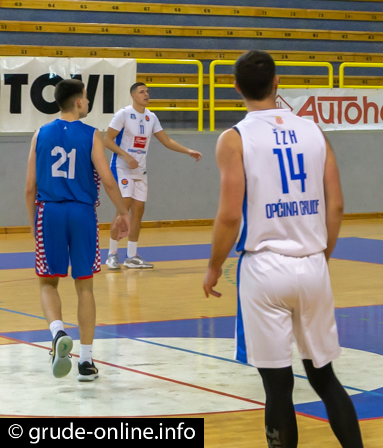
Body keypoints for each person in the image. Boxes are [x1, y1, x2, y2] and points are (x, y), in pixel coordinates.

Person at [203, 51, 363, 448]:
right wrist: (320, 258)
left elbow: (228, 217)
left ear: (236, 87)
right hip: (312, 263)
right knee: (325, 378)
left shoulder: (234, 139)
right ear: (278, 83)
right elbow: (337, 205)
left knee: (277, 386)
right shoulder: (314, 132)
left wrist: (213, 267)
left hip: (264, 267)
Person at [25, 79, 130, 381]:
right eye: (85, 97)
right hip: (83, 212)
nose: (87, 101)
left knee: (48, 283)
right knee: (84, 286)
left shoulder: (40, 134)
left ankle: (58, 334)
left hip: (50, 211)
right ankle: (86, 361)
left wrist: (35, 223)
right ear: (77, 102)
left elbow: (30, 187)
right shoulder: (93, 135)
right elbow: (108, 179)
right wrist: (123, 213)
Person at [103, 82, 202, 270]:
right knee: (124, 208)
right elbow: (107, 140)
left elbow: (166, 140)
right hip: (122, 167)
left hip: (140, 170)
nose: (146, 94)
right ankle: (112, 254)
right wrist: (126, 155)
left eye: (147, 91)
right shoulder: (123, 114)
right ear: (133, 96)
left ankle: (131, 255)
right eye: (142, 92)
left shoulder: (151, 117)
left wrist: (187, 150)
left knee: (138, 211)